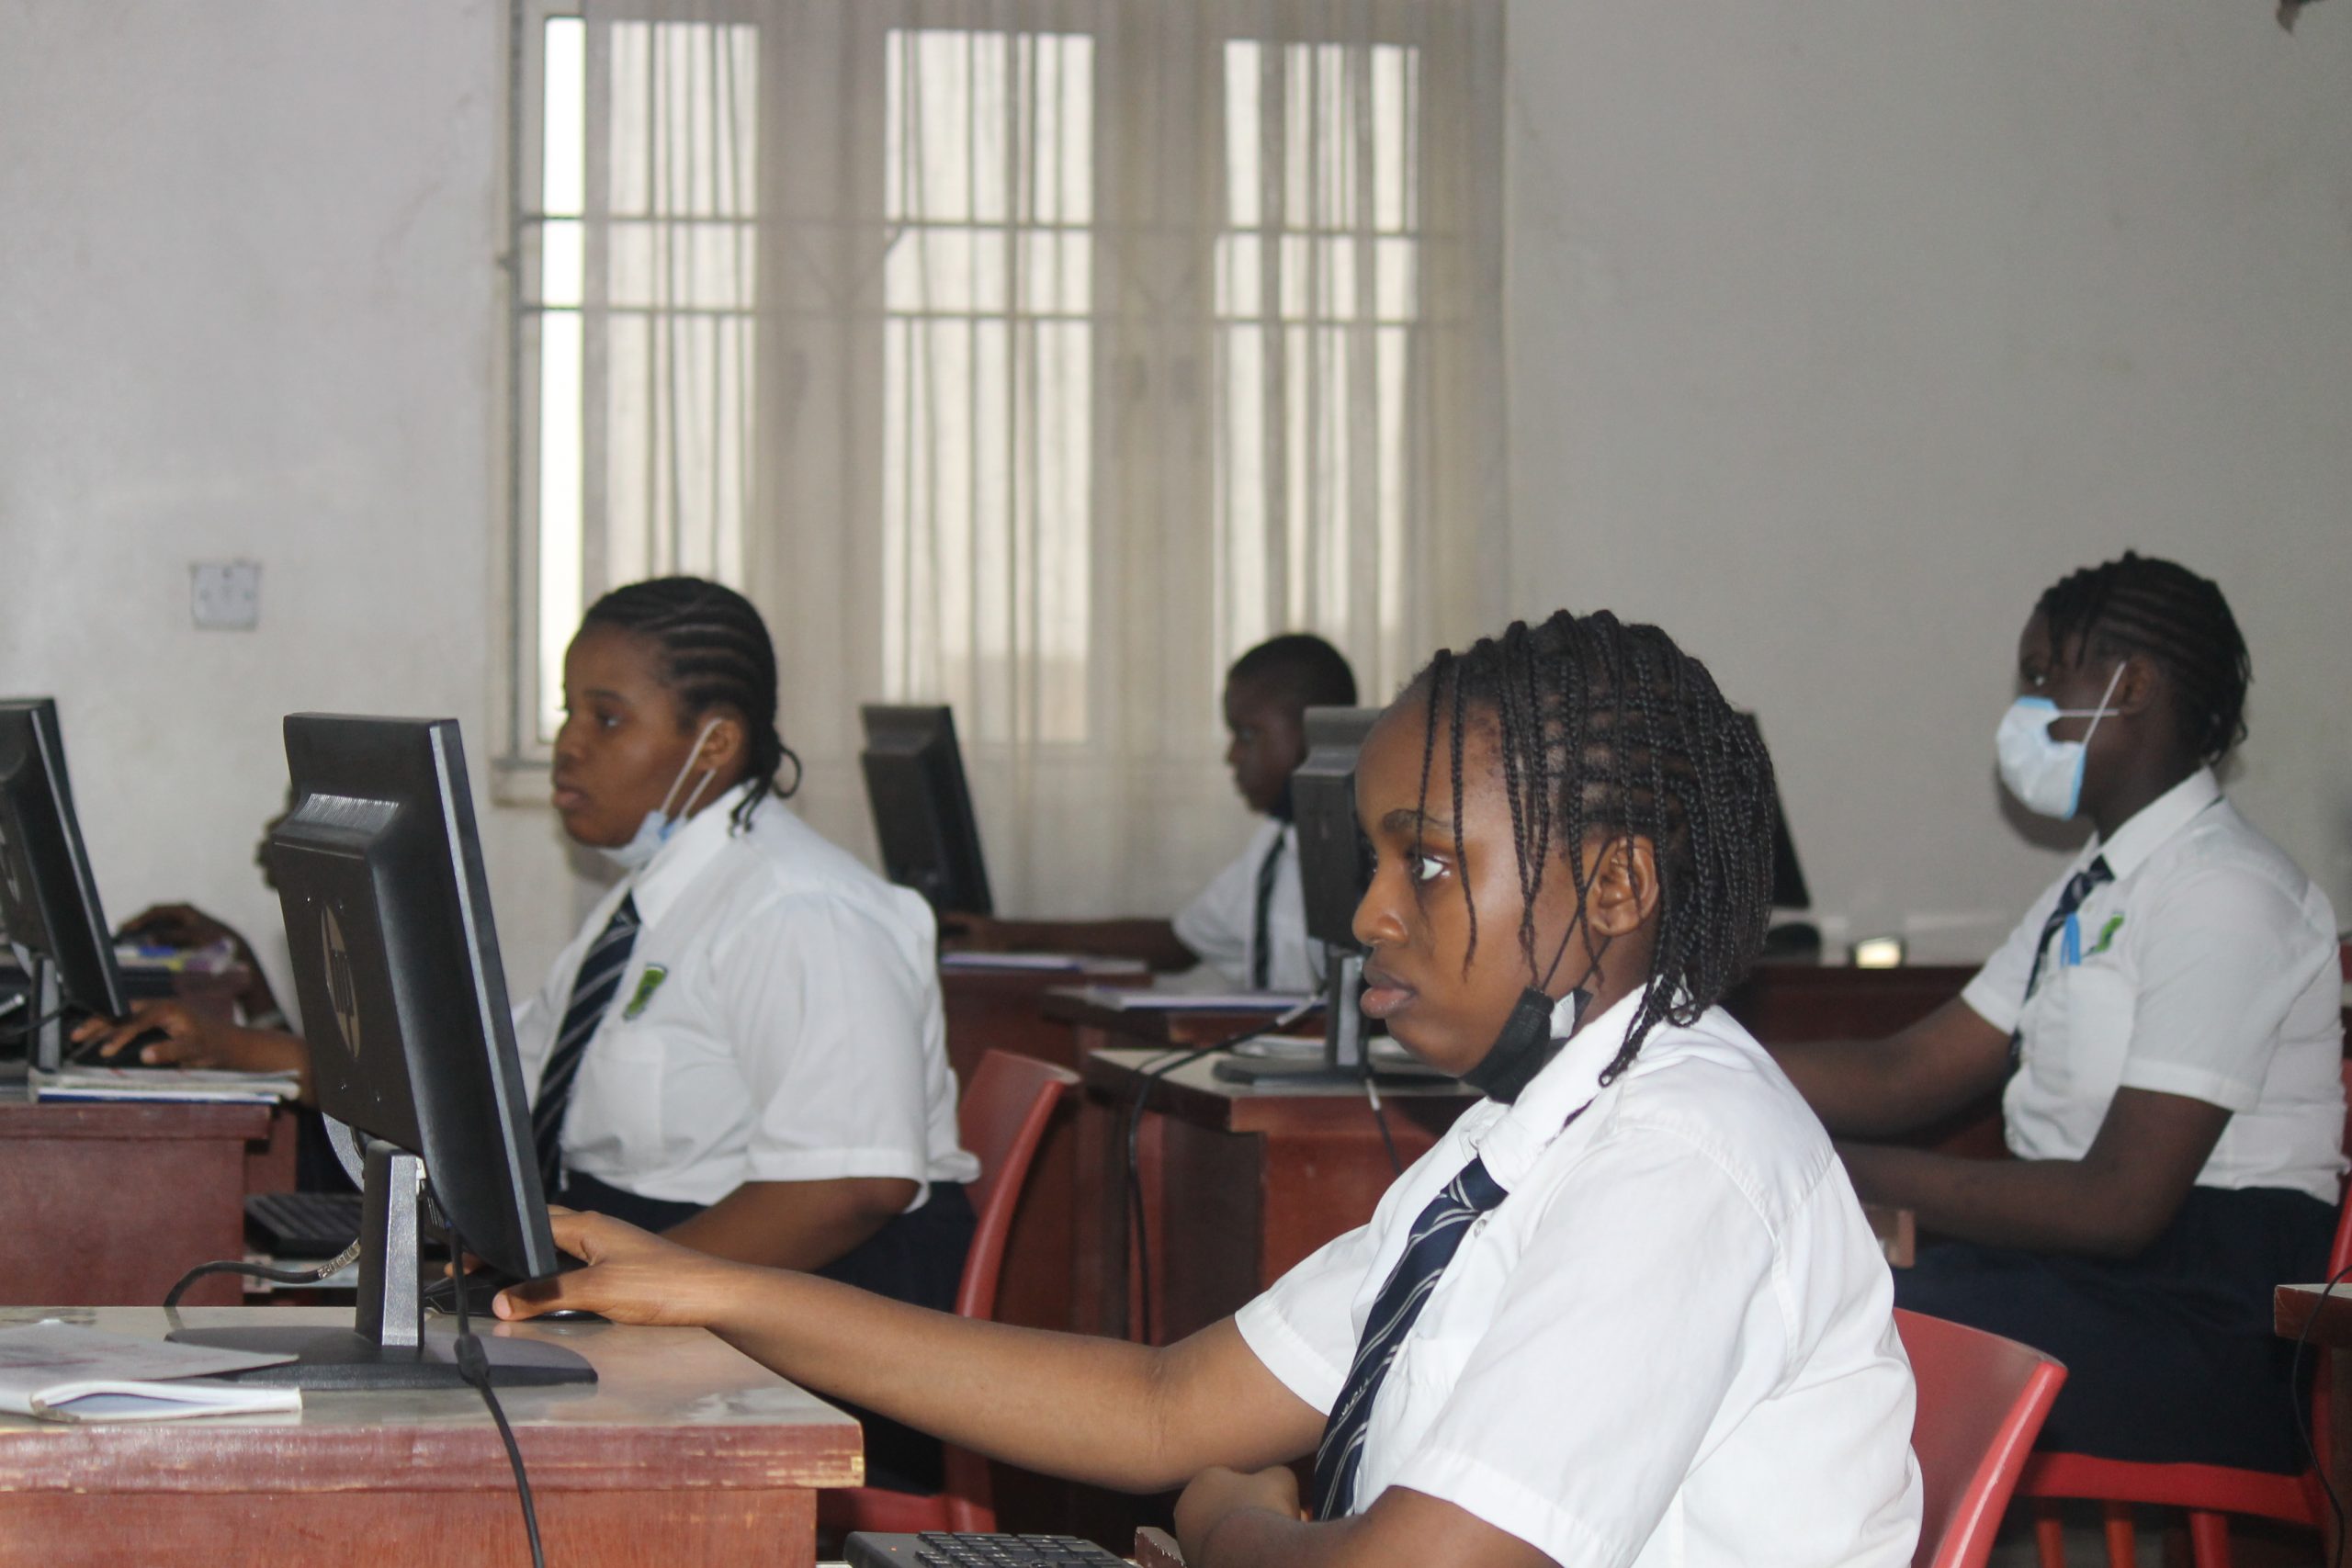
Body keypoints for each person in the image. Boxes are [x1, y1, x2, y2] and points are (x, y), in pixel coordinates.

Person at [501, 611, 1923, 1568]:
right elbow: (1165, 1404)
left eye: (1422, 859)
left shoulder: (1682, 1152)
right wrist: (714, 1289)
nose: (1368, 914)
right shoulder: (1517, 1135)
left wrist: (1243, 1526)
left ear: (1614, 882)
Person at [75, 577, 979, 1490]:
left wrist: (622, 1297)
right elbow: (490, 1078)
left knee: (399, 1455)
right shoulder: (651, 900)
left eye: (607, 718)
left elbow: (852, 1186)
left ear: (716, 743)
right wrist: (249, 1054)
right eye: (567, 713)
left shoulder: (801, 908)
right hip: (663, 1282)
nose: (567, 746)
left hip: (796, 1327)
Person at [1772, 552, 2345, 1474]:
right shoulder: (2093, 891)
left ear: (2134, 686)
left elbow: (2117, 1205)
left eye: (2044, 675)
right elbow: (1905, 1072)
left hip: (2212, 1326)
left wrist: (1828, 1167)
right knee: (1815, 1301)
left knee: (1842, 1320)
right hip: (2094, 1287)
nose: (2025, 704)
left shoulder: (2224, 891)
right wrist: (1698, 1054)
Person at [949, 633, 1357, 991]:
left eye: (1247, 734)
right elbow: (1180, 943)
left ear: (1315, 730)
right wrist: (1009, 936)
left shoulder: (1370, 850)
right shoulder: (1276, 844)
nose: (1231, 756)